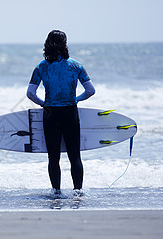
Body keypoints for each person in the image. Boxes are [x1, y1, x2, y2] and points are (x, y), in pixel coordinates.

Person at [27, 30, 95, 198]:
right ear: (64, 44)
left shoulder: (41, 67)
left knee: (53, 156)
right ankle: (78, 191)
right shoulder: (76, 65)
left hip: (50, 114)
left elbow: (30, 93)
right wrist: (76, 99)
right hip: (70, 112)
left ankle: (56, 192)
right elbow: (90, 90)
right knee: (74, 155)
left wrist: (44, 104)